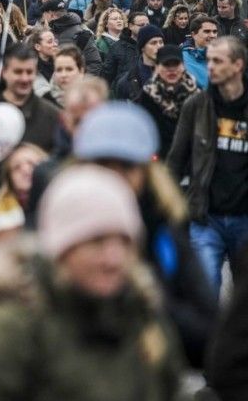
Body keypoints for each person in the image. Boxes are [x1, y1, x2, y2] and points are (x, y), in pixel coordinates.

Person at [0, 165, 213, 401]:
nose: (112, 258)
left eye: (123, 242)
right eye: (96, 242)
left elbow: (165, 396)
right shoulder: (11, 325)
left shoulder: (140, 316)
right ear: (62, 248)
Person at [72, 103, 217, 368]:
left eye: (126, 166)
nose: (114, 177)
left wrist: (147, 302)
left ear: (145, 172)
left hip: (146, 385)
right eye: (103, 164)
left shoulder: (164, 233)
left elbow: (207, 336)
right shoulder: (59, 224)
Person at [168, 36, 248, 297]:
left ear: (238, 66)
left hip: (244, 218)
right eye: (209, 60)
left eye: (217, 61)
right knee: (204, 293)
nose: (210, 66)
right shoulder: (197, 105)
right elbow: (176, 160)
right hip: (206, 217)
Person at [137, 44, 199, 157]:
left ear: (183, 66)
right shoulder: (147, 96)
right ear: (156, 67)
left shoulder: (196, 95)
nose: (172, 70)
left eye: (176, 64)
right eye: (166, 65)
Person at [39, 0, 102, 76]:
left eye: (44, 14)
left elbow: (94, 64)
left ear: (51, 15)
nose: (43, 18)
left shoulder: (82, 35)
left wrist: (77, 84)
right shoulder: (47, 33)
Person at [102, 11, 149, 91]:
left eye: (147, 25)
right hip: (125, 94)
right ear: (130, 26)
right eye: (141, 25)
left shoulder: (154, 46)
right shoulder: (117, 47)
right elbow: (107, 75)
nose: (145, 28)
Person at [115, 24, 164, 101]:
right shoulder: (127, 81)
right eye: (153, 43)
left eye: (161, 42)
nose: (159, 46)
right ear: (142, 47)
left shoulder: (173, 74)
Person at [182, 15, 219, 89]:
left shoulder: (225, 56)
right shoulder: (182, 58)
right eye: (207, 31)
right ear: (193, 35)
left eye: (215, 32)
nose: (212, 35)